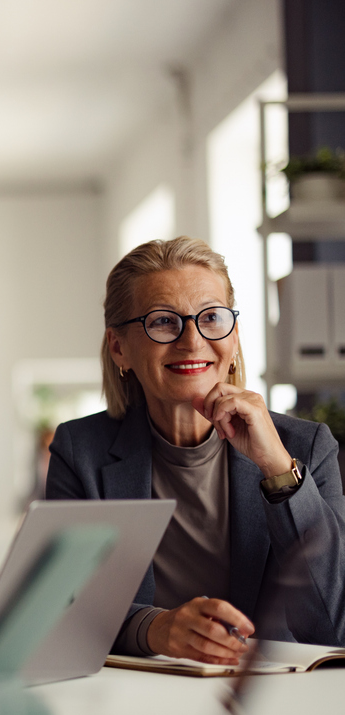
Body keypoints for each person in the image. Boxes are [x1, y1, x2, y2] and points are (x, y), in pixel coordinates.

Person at [47, 237, 345, 664]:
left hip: (272, 695)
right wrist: (155, 628)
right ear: (119, 348)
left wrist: (277, 469)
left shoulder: (305, 447)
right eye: (164, 322)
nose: (192, 341)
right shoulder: (81, 451)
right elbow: (64, 609)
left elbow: (334, 624)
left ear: (234, 337)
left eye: (211, 318)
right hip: (139, 694)